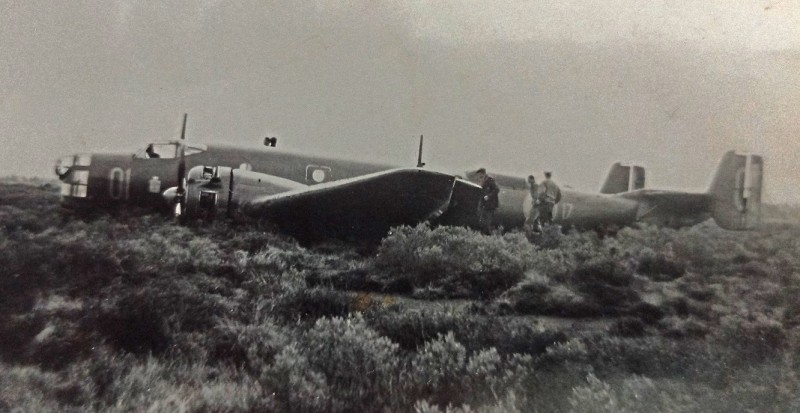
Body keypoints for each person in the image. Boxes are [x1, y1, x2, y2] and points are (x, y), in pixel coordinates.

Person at [475, 168, 499, 234]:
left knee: (487, 223)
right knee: (482, 222)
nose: (479, 177)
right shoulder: (482, 181)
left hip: (490, 206)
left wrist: (488, 196)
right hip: (484, 205)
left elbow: (496, 189)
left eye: (480, 175)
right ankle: (484, 235)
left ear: (483, 174)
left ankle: (487, 236)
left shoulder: (490, 180)